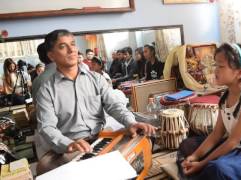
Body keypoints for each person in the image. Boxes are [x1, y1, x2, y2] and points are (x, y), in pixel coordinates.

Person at [36, 29, 156, 175]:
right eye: (62, 46)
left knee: (143, 142)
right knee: (46, 169)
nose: (71, 50)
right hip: (73, 146)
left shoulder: (96, 79)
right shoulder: (46, 90)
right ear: (51, 56)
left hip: (103, 137)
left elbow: (114, 105)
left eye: (73, 44)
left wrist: (131, 123)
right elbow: (47, 127)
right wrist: (68, 144)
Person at [178, 43, 241, 179]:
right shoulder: (226, 95)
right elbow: (216, 134)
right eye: (215, 65)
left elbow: (232, 142)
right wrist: (195, 156)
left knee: (218, 168)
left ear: (240, 73)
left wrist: (202, 163)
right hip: (235, 148)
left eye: (221, 66)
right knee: (187, 145)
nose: (215, 70)